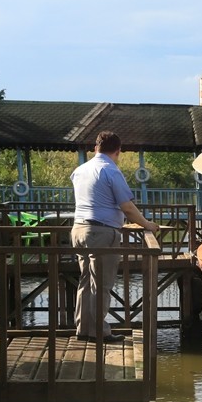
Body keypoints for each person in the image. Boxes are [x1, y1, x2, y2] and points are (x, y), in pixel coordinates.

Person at [70, 130, 159, 342]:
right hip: (100, 233)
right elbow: (127, 207)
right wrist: (147, 224)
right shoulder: (110, 171)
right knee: (101, 283)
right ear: (118, 151)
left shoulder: (79, 170)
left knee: (86, 281)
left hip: (78, 230)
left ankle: (84, 329)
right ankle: (99, 332)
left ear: (95, 148)